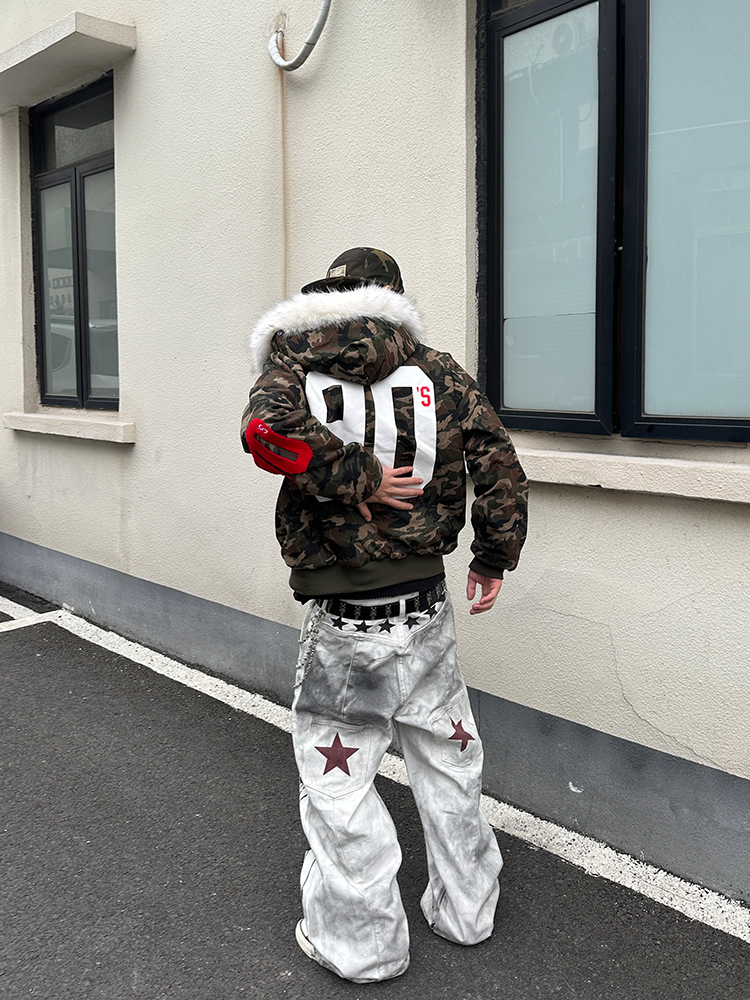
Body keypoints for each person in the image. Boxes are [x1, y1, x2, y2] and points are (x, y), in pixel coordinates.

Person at [240, 247, 528, 984]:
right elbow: (497, 461)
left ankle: (365, 946)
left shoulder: (293, 364)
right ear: (394, 298)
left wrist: (354, 475)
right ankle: (468, 912)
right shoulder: (439, 371)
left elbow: (264, 434)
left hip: (344, 616)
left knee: (338, 778)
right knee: (449, 758)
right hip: (426, 606)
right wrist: (493, 556)